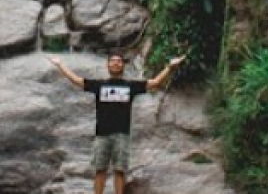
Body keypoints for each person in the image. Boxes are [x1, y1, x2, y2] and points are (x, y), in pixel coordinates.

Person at [47, 51, 187, 194]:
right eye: (112, 60)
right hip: (102, 134)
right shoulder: (99, 85)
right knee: (100, 170)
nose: (115, 63)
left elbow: (155, 82)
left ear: (123, 65)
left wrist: (170, 67)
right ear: (108, 65)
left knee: (120, 170)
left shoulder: (130, 86)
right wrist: (60, 65)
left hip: (122, 134)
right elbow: (77, 80)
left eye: (119, 61)